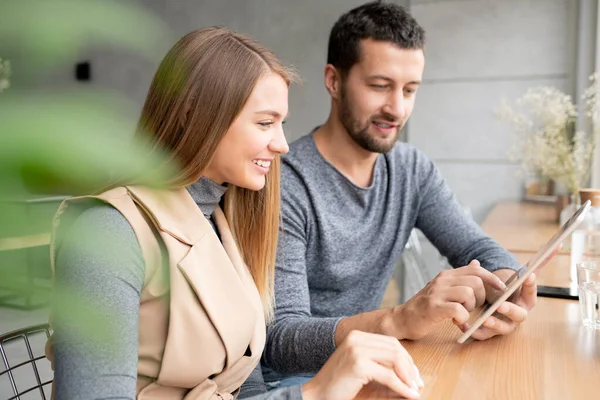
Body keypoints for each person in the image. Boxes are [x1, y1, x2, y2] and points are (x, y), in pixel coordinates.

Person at [46, 27, 425, 400]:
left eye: (282, 124)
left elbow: (245, 382)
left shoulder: (227, 221)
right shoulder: (107, 233)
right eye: (264, 123)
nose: (281, 145)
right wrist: (313, 393)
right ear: (193, 112)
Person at [262, 1, 540, 387]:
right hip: (297, 384)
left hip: (370, 366)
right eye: (380, 86)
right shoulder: (284, 183)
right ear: (333, 80)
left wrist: (505, 284)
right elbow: (280, 340)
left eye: (410, 90)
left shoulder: (411, 169)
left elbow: (477, 246)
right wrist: (398, 320)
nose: (396, 108)